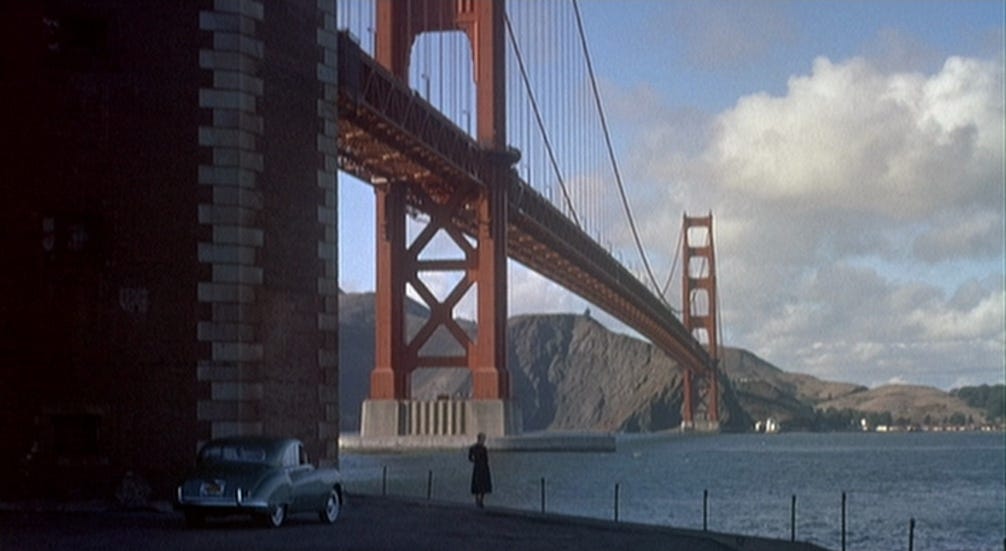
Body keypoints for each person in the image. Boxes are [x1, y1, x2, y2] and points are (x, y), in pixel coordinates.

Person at [467, 432, 491, 508]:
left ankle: (478, 499)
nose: (484, 441)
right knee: (482, 484)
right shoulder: (483, 449)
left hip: (477, 467)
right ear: (480, 439)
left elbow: (470, 458)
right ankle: (480, 500)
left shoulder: (473, 448)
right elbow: (486, 459)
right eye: (483, 439)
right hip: (483, 467)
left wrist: (474, 461)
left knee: (478, 484)